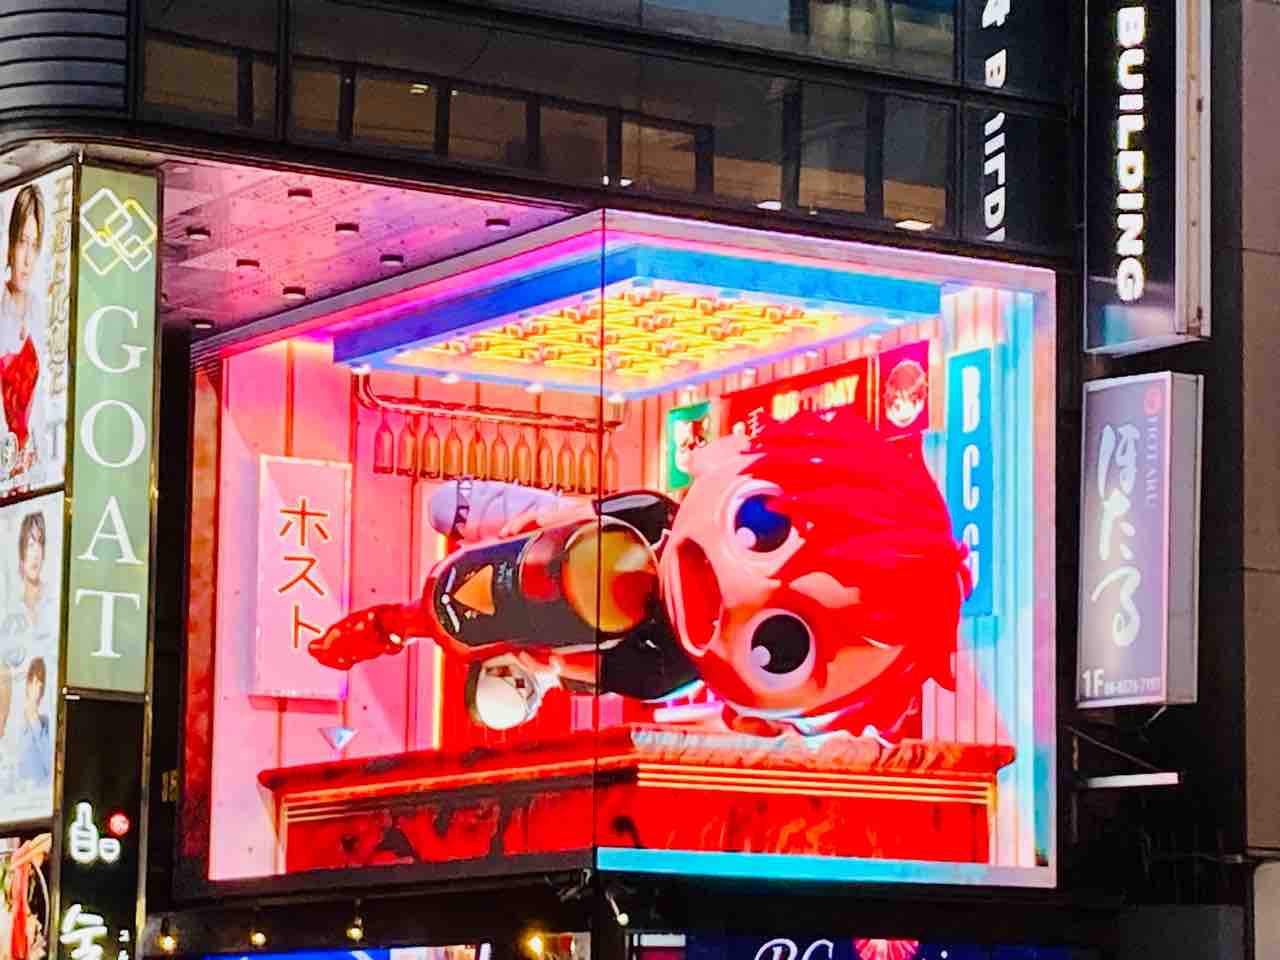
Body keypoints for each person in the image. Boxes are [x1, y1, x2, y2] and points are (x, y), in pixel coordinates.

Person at [0, 185, 47, 483]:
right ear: (9, 244)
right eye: (22, 242)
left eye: (34, 245)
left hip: (31, 469)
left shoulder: (38, 311)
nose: (27, 259)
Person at [13, 657, 49, 787]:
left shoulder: (45, 724)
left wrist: (35, 721)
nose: (37, 687)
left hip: (39, 792)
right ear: (27, 684)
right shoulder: (16, 721)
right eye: (34, 681)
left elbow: (50, 763)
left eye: (40, 683)